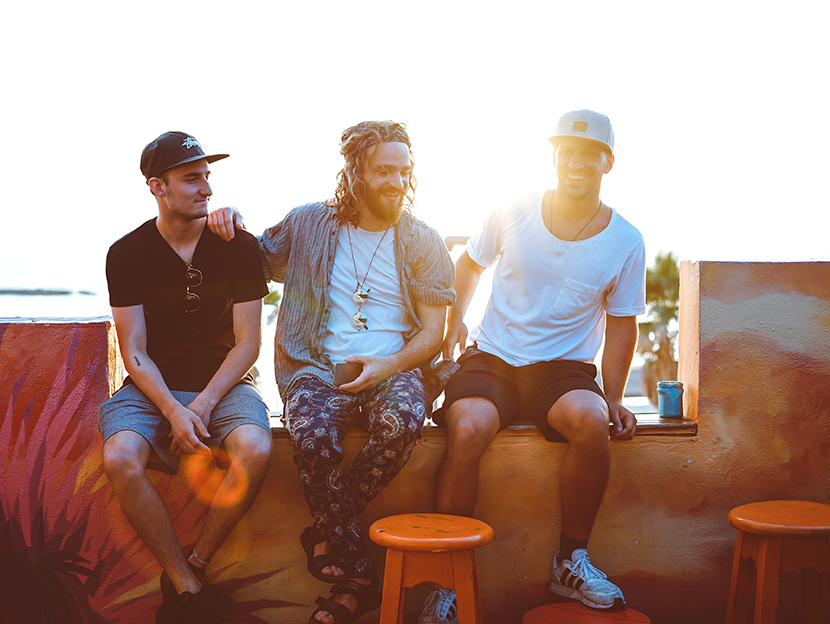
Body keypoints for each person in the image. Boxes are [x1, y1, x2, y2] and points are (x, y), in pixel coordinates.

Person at [207, 120, 455, 624]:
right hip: (314, 366)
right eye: (384, 170)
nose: (397, 181)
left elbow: (432, 334)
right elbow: (250, 257)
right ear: (355, 171)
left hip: (395, 365)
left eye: (404, 171)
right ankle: (360, 572)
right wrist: (227, 219)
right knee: (315, 440)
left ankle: (327, 534)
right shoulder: (308, 223)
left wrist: (388, 363)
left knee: (401, 422)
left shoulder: (424, 241)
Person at [418, 110, 645, 623]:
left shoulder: (626, 239)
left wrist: (613, 396)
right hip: (494, 356)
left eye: (590, 153)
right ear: (553, 156)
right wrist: (455, 324)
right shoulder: (513, 209)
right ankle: (446, 577)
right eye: (567, 150)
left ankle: (570, 561)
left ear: (608, 162)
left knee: (592, 423)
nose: (577, 161)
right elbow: (469, 265)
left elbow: (622, 325)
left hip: (563, 368)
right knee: (469, 426)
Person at [99, 132, 273, 624]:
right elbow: (133, 351)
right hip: (152, 385)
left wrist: (201, 405)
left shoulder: (238, 246)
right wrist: (173, 409)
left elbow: (248, 344)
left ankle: (196, 563)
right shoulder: (126, 253)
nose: (207, 190)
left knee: (257, 450)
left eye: (208, 177)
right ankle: (185, 583)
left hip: (225, 382)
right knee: (120, 457)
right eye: (191, 179)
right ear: (157, 186)